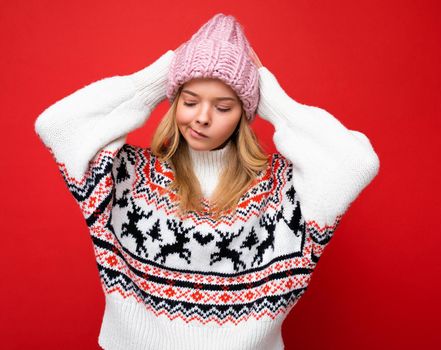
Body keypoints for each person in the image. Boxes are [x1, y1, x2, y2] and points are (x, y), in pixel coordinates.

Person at [34, 13, 380, 350]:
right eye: (189, 101)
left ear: (244, 116)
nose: (201, 117)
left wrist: (269, 95)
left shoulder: (282, 191)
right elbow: (57, 125)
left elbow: (355, 163)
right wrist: (163, 75)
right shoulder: (127, 178)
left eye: (223, 107)